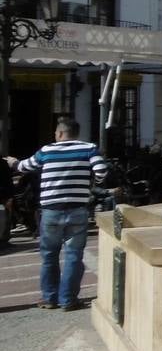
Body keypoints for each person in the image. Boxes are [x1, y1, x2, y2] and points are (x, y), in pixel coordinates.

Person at [11, 117, 107, 310]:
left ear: (61, 133)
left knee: (49, 256)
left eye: (56, 132)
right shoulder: (88, 148)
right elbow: (102, 170)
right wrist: (93, 183)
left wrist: (13, 163)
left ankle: (50, 297)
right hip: (78, 210)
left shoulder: (46, 151)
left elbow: (24, 167)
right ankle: (68, 299)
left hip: (51, 211)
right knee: (73, 255)